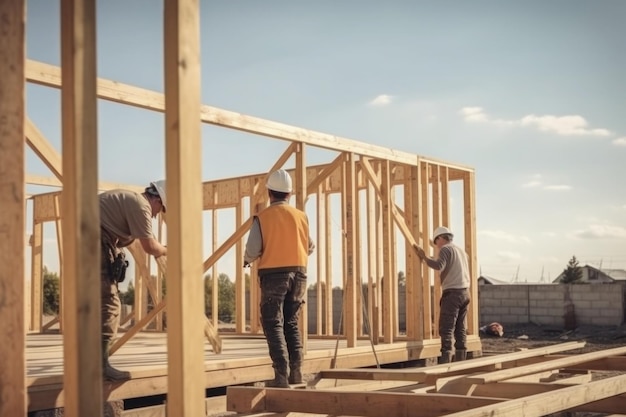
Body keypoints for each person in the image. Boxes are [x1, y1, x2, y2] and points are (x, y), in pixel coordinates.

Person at [244, 169, 315, 388]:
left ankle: (281, 375)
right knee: (291, 322)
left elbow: (252, 249)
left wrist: (247, 260)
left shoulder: (263, 217)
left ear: (269, 193)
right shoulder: (301, 216)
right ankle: (297, 373)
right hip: (299, 274)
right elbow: (310, 246)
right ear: (289, 194)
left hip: (274, 275)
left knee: (273, 322)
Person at [99, 180, 168, 380]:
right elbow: (150, 247)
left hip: (85, 236)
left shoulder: (130, 201)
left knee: (94, 303)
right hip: (93, 238)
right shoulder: (141, 206)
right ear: (156, 199)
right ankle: (100, 368)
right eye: (161, 209)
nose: (157, 214)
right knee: (109, 304)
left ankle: (88, 363)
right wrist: (167, 249)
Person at [413, 226, 471, 363]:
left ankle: (445, 363)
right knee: (460, 328)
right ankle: (461, 361)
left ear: (440, 238)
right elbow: (449, 264)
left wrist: (425, 258)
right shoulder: (460, 251)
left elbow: (439, 265)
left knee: (446, 328)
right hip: (465, 293)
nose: (436, 245)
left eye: (435, 242)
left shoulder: (445, 249)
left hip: (452, 294)